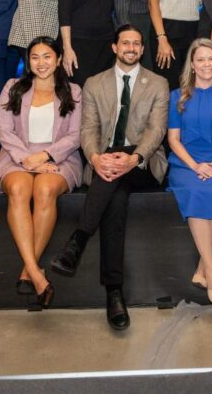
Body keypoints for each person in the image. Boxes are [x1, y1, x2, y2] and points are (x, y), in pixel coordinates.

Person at [49, 24, 169, 331]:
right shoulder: (94, 83)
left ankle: (78, 240)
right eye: (125, 43)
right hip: (105, 165)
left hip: (143, 164)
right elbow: (88, 129)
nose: (131, 48)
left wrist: (133, 158)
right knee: (114, 199)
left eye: (136, 44)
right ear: (114, 47)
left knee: (116, 170)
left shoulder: (158, 83)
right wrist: (94, 158)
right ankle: (114, 293)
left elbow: (156, 131)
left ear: (142, 49)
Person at [0, 36, 83, 309]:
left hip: (60, 157)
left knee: (44, 189)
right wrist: (28, 160)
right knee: (18, 189)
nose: (41, 62)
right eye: (35, 57)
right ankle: (35, 272)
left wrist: (45, 156)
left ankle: (28, 269)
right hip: (17, 155)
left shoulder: (73, 91)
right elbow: (4, 131)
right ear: (28, 61)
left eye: (47, 56)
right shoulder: (12, 87)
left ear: (58, 60)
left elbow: (75, 136)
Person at [166, 39, 212, 304]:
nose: (206, 64)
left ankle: (202, 268)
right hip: (185, 163)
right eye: (200, 59)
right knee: (196, 190)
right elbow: (173, 140)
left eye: (211, 59)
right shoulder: (178, 96)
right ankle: (211, 268)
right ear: (192, 64)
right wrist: (195, 166)